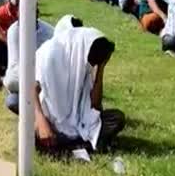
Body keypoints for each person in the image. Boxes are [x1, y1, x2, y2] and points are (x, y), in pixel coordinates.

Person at [34, 27, 124, 155]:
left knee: (117, 118)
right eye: (93, 63)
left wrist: (100, 69)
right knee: (28, 130)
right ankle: (80, 146)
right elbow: (31, 89)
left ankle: (70, 148)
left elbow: (96, 106)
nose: (91, 66)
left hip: (77, 124)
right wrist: (41, 120)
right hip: (49, 120)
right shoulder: (51, 52)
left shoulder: (82, 58)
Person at [3, 11, 57, 114]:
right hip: (28, 86)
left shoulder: (50, 33)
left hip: (47, 87)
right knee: (12, 101)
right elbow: (13, 79)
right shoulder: (14, 31)